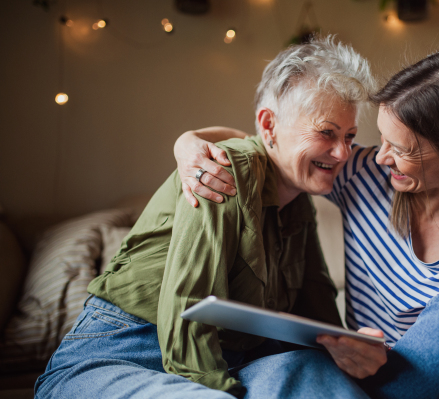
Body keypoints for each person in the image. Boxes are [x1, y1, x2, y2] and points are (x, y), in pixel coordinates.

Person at [34, 37, 386, 399]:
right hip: (123, 351)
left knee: (320, 378)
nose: (343, 152)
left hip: (233, 358)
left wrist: (349, 351)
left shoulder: (298, 201)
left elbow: (319, 314)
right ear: (269, 126)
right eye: (327, 132)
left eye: (350, 136)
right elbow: (190, 311)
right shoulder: (225, 169)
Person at [174, 45, 439, 398]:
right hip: (346, 374)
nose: (381, 157)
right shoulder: (363, 174)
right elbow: (276, 147)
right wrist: (189, 142)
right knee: (287, 365)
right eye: (381, 140)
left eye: (402, 149)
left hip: (416, 384)